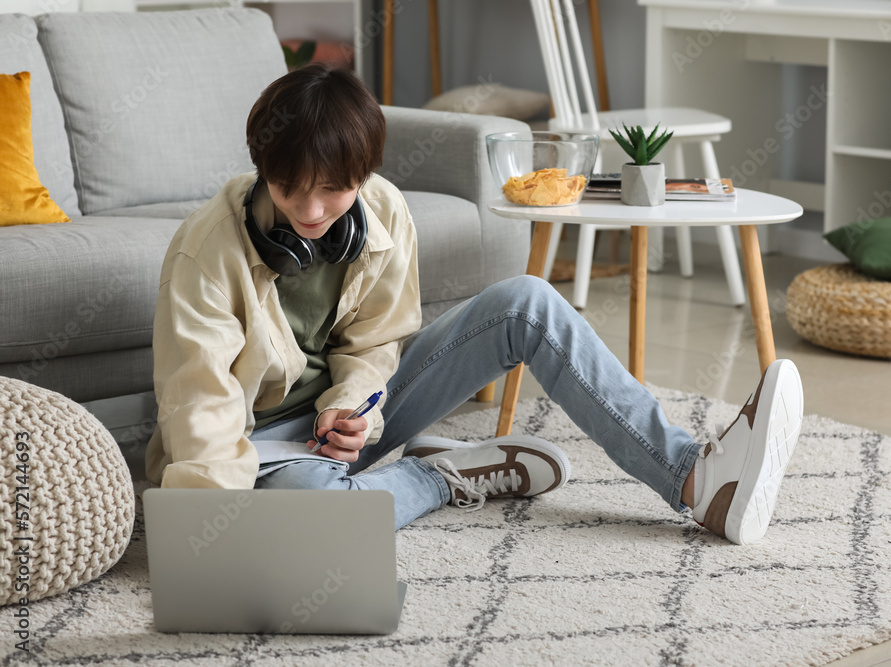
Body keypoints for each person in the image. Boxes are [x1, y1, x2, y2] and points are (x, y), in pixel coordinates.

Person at [145, 63, 804, 545]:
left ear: (362, 176)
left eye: (333, 191)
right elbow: (198, 403)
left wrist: (350, 409)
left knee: (526, 301)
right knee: (316, 518)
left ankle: (695, 478)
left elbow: (375, 345)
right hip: (255, 449)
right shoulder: (208, 250)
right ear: (264, 168)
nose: (312, 211)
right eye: (291, 190)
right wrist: (212, 534)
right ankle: (444, 477)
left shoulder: (384, 212)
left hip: (347, 428)